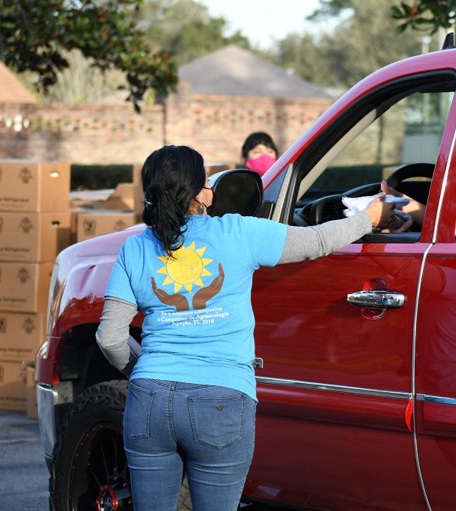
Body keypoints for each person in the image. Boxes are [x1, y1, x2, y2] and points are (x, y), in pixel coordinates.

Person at [95, 145, 393, 511]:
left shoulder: (133, 249)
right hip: (221, 401)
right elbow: (318, 240)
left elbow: (109, 337)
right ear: (201, 193)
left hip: (148, 401)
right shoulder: (239, 233)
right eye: (207, 182)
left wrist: (142, 370)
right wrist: (370, 218)